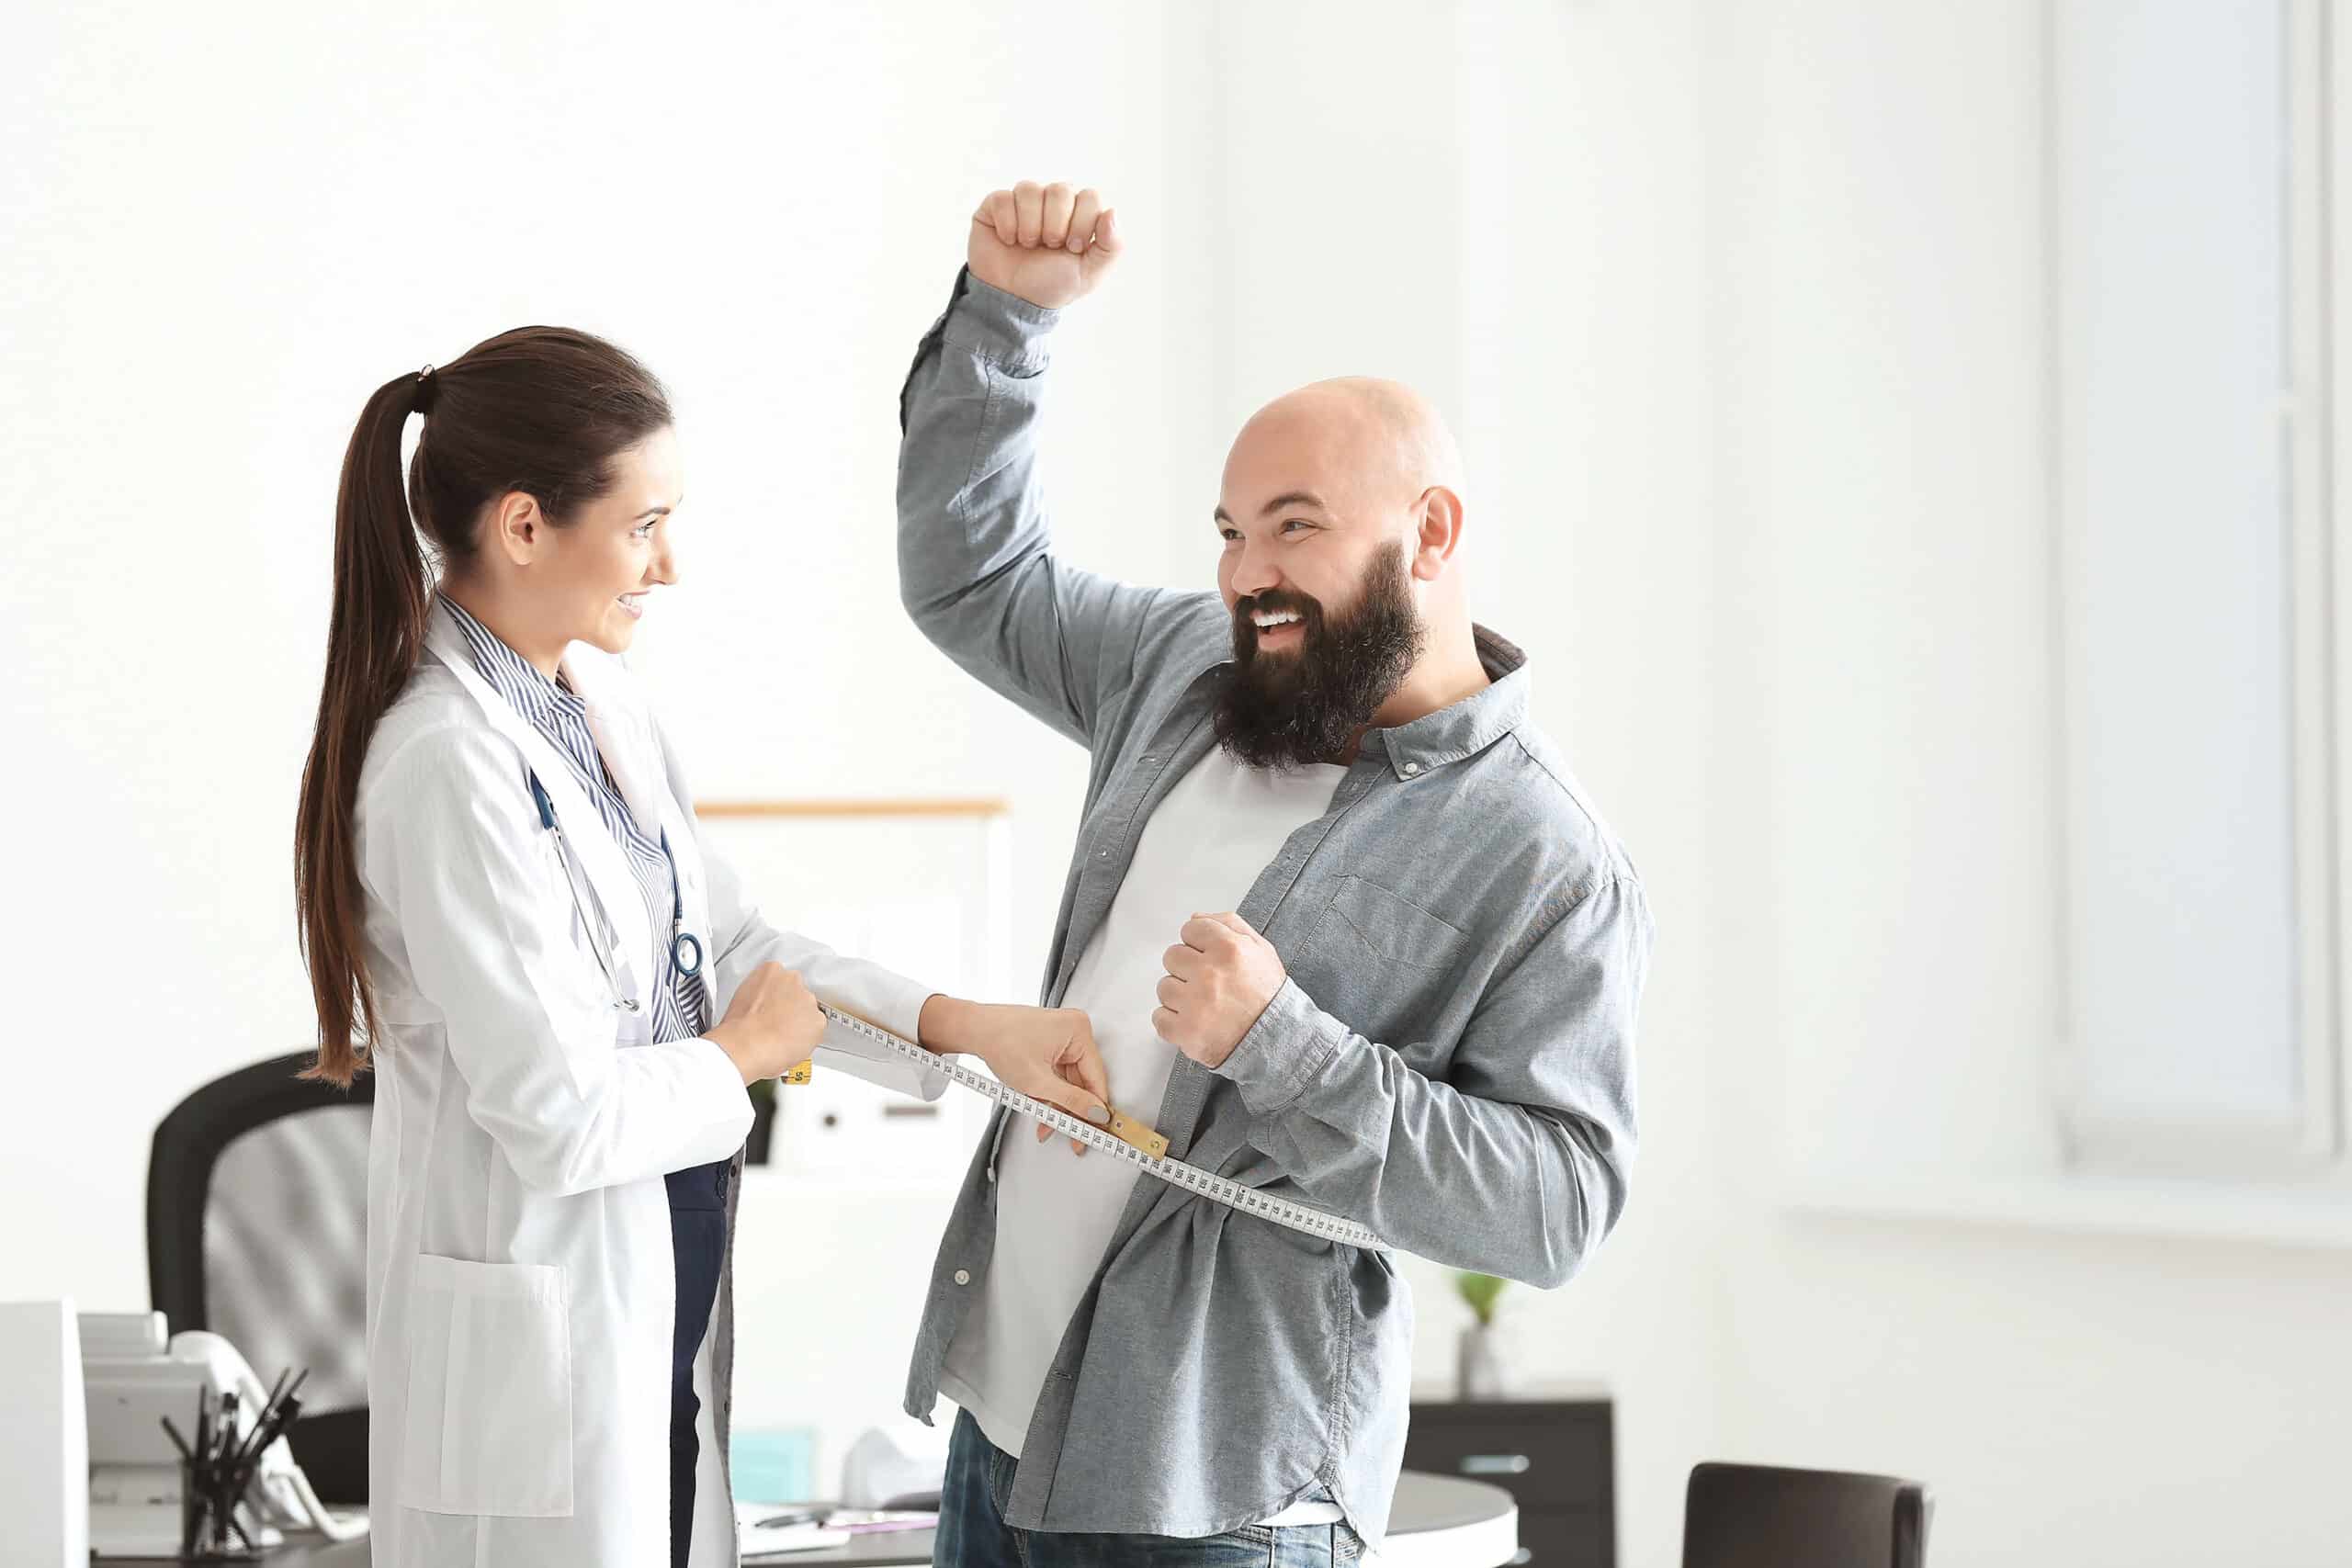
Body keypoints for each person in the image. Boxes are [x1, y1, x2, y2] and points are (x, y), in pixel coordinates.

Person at [895, 183, 1652, 1565]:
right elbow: (971, 578)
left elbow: (1556, 1209)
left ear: (1430, 536)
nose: (1249, 573)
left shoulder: (1544, 858)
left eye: (1294, 527)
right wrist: (1006, 322)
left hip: (1212, 1501)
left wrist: (1285, 1050)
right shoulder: (1184, 667)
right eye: (1232, 532)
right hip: (995, 1437)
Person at [292, 326, 1114, 1568]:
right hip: (545, 1358)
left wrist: (964, 1028)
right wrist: (737, 1058)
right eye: (644, 525)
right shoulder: (444, 765)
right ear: (524, 528)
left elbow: (731, 952)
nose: (669, 566)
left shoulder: (599, 704)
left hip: (655, 1289)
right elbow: (558, 1114)